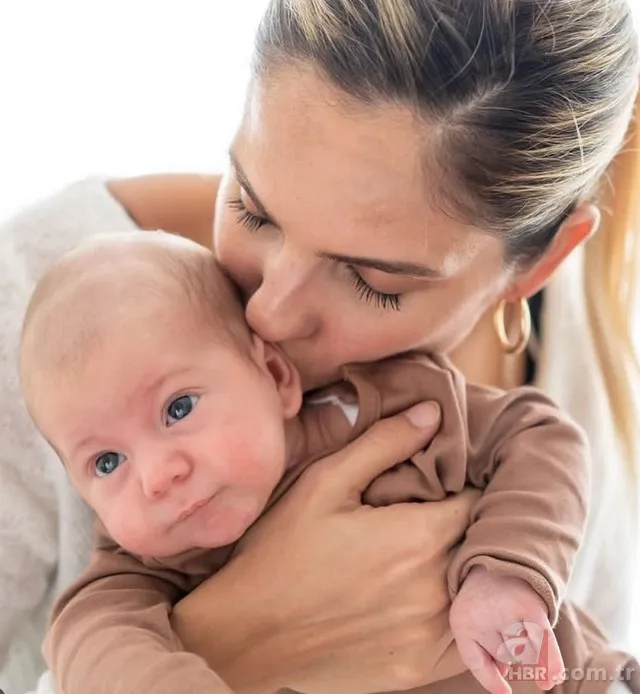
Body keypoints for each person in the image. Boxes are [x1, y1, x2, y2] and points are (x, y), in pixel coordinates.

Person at [0, 0, 638, 694]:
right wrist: (244, 644)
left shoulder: (571, 371)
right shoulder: (39, 313)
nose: (268, 309)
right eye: (252, 206)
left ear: (540, 264)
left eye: (374, 283)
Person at [20, 231, 634, 694]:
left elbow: (538, 435)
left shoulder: (386, 406)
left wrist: (505, 571)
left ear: (275, 374)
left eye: (178, 408)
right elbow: (90, 647)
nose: (157, 476)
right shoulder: (140, 575)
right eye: (105, 463)